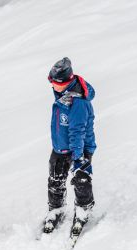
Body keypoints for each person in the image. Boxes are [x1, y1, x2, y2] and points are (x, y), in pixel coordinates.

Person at [43, 57, 97, 235]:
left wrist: (78, 158)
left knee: (80, 178)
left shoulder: (78, 102)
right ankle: (56, 208)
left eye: (54, 82)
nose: (52, 86)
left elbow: (77, 131)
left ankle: (84, 206)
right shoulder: (62, 93)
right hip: (61, 146)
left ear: (65, 82)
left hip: (78, 147)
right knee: (55, 179)